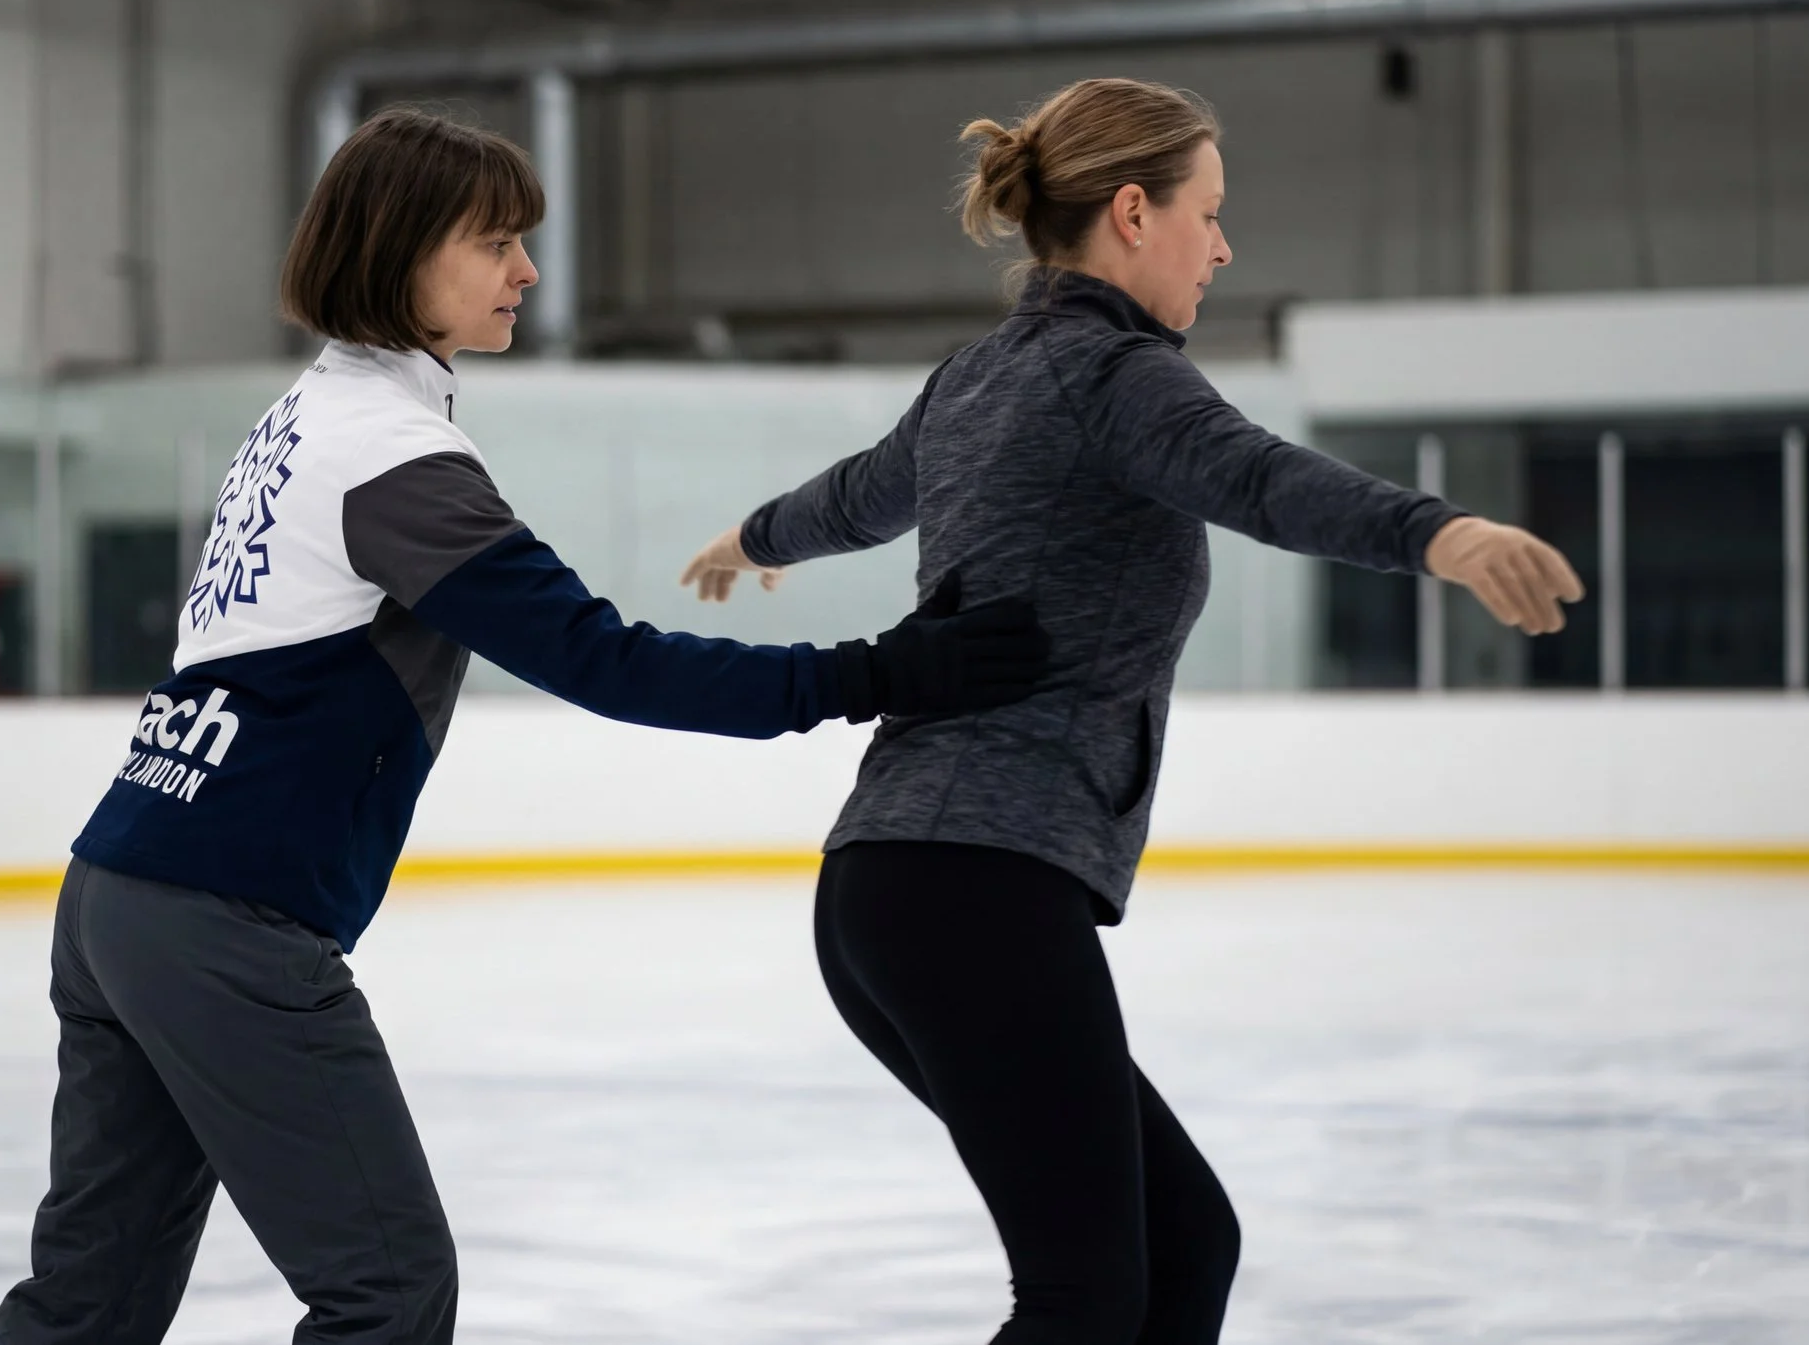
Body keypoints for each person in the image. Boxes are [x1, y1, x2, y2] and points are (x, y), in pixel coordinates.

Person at [0, 107, 1049, 1345]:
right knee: (385, 1290)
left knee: (88, 1304)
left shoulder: (304, 423)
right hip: (225, 916)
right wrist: (881, 671)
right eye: (495, 244)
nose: (527, 274)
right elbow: (603, 662)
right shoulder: (391, 457)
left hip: (119, 888)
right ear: (402, 251)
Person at [678, 78, 1584, 1344]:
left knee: (1179, 1247)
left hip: (893, 891)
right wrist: (1441, 529)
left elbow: (858, 497)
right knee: (1085, 1295)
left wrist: (752, 534)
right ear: (1131, 213)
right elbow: (1261, 480)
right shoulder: (1114, 379)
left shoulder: (980, 376)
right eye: (1208, 214)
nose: (1223, 247)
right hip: (972, 887)